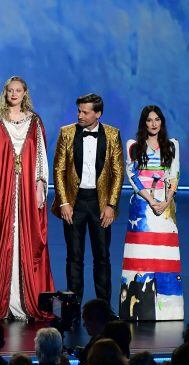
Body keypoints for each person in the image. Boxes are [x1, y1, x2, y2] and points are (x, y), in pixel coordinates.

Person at [0, 76, 55, 321]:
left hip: (27, 191)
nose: (14, 94)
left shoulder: (34, 121)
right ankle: (4, 302)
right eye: (10, 90)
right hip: (2, 189)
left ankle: (25, 301)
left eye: (18, 90)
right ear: (5, 93)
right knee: (3, 239)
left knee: (27, 239)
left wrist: (41, 183)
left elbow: (40, 155)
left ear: (25, 93)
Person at [52, 93, 124, 310]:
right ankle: (72, 309)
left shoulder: (112, 134)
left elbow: (117, 172)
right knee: (74, 257)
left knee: (102, 256)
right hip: (74, 203)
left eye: (85, 112)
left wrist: (111, 205)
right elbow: (59, 169)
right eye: (79, 111)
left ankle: (103, 309)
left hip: (100, 203)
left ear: (98, 113)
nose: (80, 115)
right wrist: (64, 202)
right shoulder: (67, 132)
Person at [119, 105, 183, 321]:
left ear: (162, 122)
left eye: (157, 119)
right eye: (149, 120)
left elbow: (174, 175)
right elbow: (133, 176)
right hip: (142, 205)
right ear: (143, 123)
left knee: (165, 257)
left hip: (165, 209)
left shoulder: (172, 145)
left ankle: (169, 309)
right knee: (141, 258)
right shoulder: (134, 146)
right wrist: (151, 200)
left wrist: (166, 201)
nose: (153, 124)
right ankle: (137, 307)